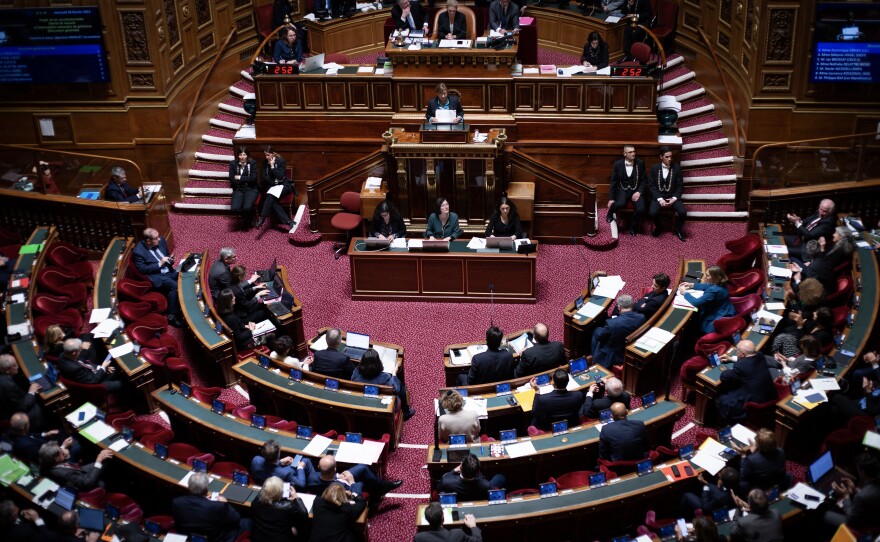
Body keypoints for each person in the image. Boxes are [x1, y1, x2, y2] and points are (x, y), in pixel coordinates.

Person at [172, 472, 249, 542]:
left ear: (189, 487)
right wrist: (225, 503)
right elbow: (236, 519)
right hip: (214, 539)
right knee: (247, 522)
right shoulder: (217, 506)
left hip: (188, 537)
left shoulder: (177, 502)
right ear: (206, 489)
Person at [132, 227, 183, 326]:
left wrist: (170, 260)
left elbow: (167, 255)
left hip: (168, 270)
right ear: (148, 241)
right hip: (157, 276)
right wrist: (159, 264)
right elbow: (142, 269)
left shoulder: (161, 241)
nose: (159, 239)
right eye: (156, 238)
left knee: (184, 271)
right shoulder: (138, 252)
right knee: (175, 286)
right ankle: (171, 316)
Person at [717, 340, 777, 422]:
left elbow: (724, 377)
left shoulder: (740, 366)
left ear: (742, 354)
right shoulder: (760, 355)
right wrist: (731, 358)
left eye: (737, 351)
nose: (736, 353)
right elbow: (748, 361)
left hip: (754, 403)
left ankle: (725, 422)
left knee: (722, 398)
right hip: (768, 396)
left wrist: (726, 370)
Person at [307, 455, 402, 505]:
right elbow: (356, 496)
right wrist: (351, 482)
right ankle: (383, 487)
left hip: (336, 478)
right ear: (335, 468)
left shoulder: (312, 477)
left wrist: (338, 476)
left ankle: (382, 486)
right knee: (364, 480)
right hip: (349, 485)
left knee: (363, 468)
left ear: (318, 467)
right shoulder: (339, 487)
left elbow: (325, 477)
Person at [352, 348, 416, 420]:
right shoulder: (385, 377)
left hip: (360, 402)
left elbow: (352, 380)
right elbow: (396, 389)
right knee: (399, 384)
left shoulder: (356, 372)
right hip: (381, 405)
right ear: (378, 363)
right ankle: (406, 412)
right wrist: (394, 374)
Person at [824, 453, 880, 532]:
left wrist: (846, 496)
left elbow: (851, 517)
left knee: (825, 514)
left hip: (862, 525)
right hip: (875, 516)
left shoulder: (862, 496)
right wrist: (855, 490)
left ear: (863, 472)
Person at [591, 294, 646, 369]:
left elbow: (601, 335)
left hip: (615, 354)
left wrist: (597, 329)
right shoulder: (641, 317)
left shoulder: (612, 323)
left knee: (597, 332)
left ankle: (594, 361)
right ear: (632, 305)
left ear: (619, 307)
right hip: (631, 347)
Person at [678, 265, 736, 334]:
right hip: (726, 311)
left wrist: (684, 293)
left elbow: (696, 302)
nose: (705, 277)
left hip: (713, 320)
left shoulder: (713, 291)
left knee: (691, 322)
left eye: (707, 276)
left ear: (715, 278)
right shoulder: (722, 283)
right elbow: (708, 285)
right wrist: (691, 285)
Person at [252, 476, 309, 542]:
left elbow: (261, 493)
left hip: (259, 538)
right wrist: (296, 498)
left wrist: (268, 488)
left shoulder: (256, 502)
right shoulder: (288, 506)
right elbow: (304, 514)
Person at [8, 412, 79, 465]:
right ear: (23, 428)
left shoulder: (15, 430)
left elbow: (30, 435)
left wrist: (45, 434)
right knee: (78, 444)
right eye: (28, 423)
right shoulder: (28, 446)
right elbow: (47, 458)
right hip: (53, 459)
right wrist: (63, 447)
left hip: (46, 446)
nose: (29, 424)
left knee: (61, 432)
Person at [648, 146, 687, 241]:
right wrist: (660, 199)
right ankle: (659, 227)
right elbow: (651, 186)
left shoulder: (676, 168)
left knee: (683, 212)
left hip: (672, 196)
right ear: (661, 157)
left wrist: (674, 198)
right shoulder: (654, 168)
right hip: (659, 196)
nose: (669, 159)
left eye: (671, 156)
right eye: (667, 157)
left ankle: (678, 229)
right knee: (652, 213)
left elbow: (680, 186)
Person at [39, 441, 113, 491]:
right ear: (56, 458)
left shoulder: (47, 463)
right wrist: (98, 460)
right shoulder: (64, 474)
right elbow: (87, 483)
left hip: (79, 470)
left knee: (103, 459)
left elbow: (67, 466)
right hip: (86, 482)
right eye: (61, 452)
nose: (62, 451)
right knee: (106, 460)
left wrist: (66, 454)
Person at [607, 145, 647, 236]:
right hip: (622, 189)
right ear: (624, 153)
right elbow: (613, 181)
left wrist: (639, 192)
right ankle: (610, 213)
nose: (633, 154)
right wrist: (611, 198)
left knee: (641, 209)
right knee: (620, 203)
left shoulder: (640, 163)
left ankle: (632, 225)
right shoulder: (618, 164)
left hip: (635, 190)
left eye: (634, 151)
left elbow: (644, 180)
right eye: (630, 152)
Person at [55, 338, 123, 392]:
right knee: (122, 382)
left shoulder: (63, 355)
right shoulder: (75, 369)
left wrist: (100, 367)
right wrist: (103, 367)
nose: (81, 350)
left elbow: (82, 362)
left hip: (90, 373)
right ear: (74, 353)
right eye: (80, 350)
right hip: (96, 384)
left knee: (117, 370)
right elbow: (93, 381)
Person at [251, 439, 318, 491]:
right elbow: (301, 485)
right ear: (278, 455)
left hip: (263, 482)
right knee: (306, 461)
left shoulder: (256, 460)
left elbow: (268, 463)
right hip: (278, 488)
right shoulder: (285, 473)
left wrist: (280, 462)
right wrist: (300, 467)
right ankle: (314, 485)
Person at [257, 145, 296, 232]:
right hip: (272, 186)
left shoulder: (281, 161)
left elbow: (280, 176)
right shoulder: (264, 162)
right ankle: (288, 222)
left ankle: (262, 218)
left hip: (284, 185)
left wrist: (272, 167)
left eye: (268, 155)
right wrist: (274, 182)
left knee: (270, 196)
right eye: (265, 155)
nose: (266, 157)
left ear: (273, 154)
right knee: (272, 199)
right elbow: (264, 177)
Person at [0, 354, 44, 429]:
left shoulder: (4, 376)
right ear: (7, 370)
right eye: (15, 365)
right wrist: (31, 392)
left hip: (7, 406)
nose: (18, 367)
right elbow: (21, 408)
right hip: (17, 414)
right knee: (41, 405)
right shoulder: (9, 386)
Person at [438, 453, 505, 502]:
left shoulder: (446, 481)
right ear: (478, 472)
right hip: (477, 497)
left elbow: (439, 485)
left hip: (458, 499)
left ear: (461, 467)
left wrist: (453, 471)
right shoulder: (486, 485)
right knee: (500, 477)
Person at [416, 501, 483, 542]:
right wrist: (473, 526)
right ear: (443, 517)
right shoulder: (457, 534)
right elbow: (478, 540)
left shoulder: (419, 538)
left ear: (426, 519)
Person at [229, 146, 260, 228]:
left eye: (244, 155)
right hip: (238, 188)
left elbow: (253, 179)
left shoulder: (252, 163)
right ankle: (247, 217)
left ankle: (249, 219)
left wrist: (239, 177)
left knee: (246, 207)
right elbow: (232, 179)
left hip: (251, 189)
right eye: (240, 155)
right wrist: (246, 179)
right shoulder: (233, 164)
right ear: (238, 156)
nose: (242, 157)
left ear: (247, 155)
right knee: (234, 208)